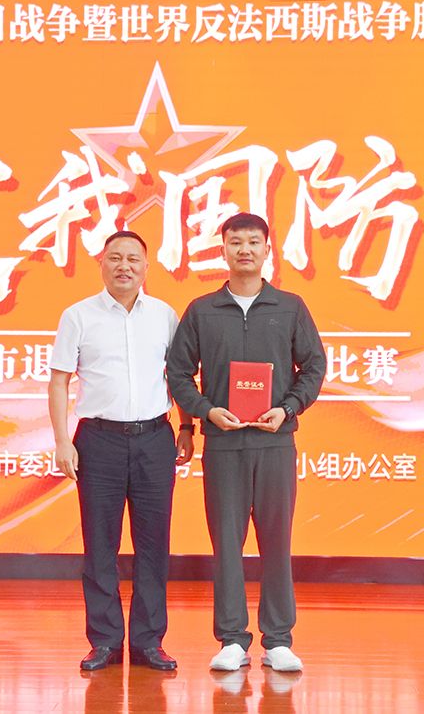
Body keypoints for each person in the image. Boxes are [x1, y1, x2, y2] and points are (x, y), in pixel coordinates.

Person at [166, 212, 326, 673]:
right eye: (236, 242)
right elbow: (178, 372)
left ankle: (278, 640)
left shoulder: (290, 307)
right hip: (223, 444)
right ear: (223, 250)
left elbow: (314, 366)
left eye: (254, 242)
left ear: (267, 250)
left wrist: (289, 408)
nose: (245, 250)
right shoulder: (202, 310)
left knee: (277, 541)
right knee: (226, 544)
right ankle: (233, 638)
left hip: (275, 444)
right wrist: (204, 411)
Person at [49, 230, 194, 672]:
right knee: (100, 545)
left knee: (154, 545)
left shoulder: (165, 316)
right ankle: (105, 641)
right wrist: (61, 441)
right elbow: (59, 380)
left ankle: (149, 642)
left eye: (133, 259)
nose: (124, 266)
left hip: (154, 438)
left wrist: (187, 426)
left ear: (147, 267)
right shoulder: (78, 316)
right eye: (115, 258)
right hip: (98, 440)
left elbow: (180, 376)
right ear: (102, 264)